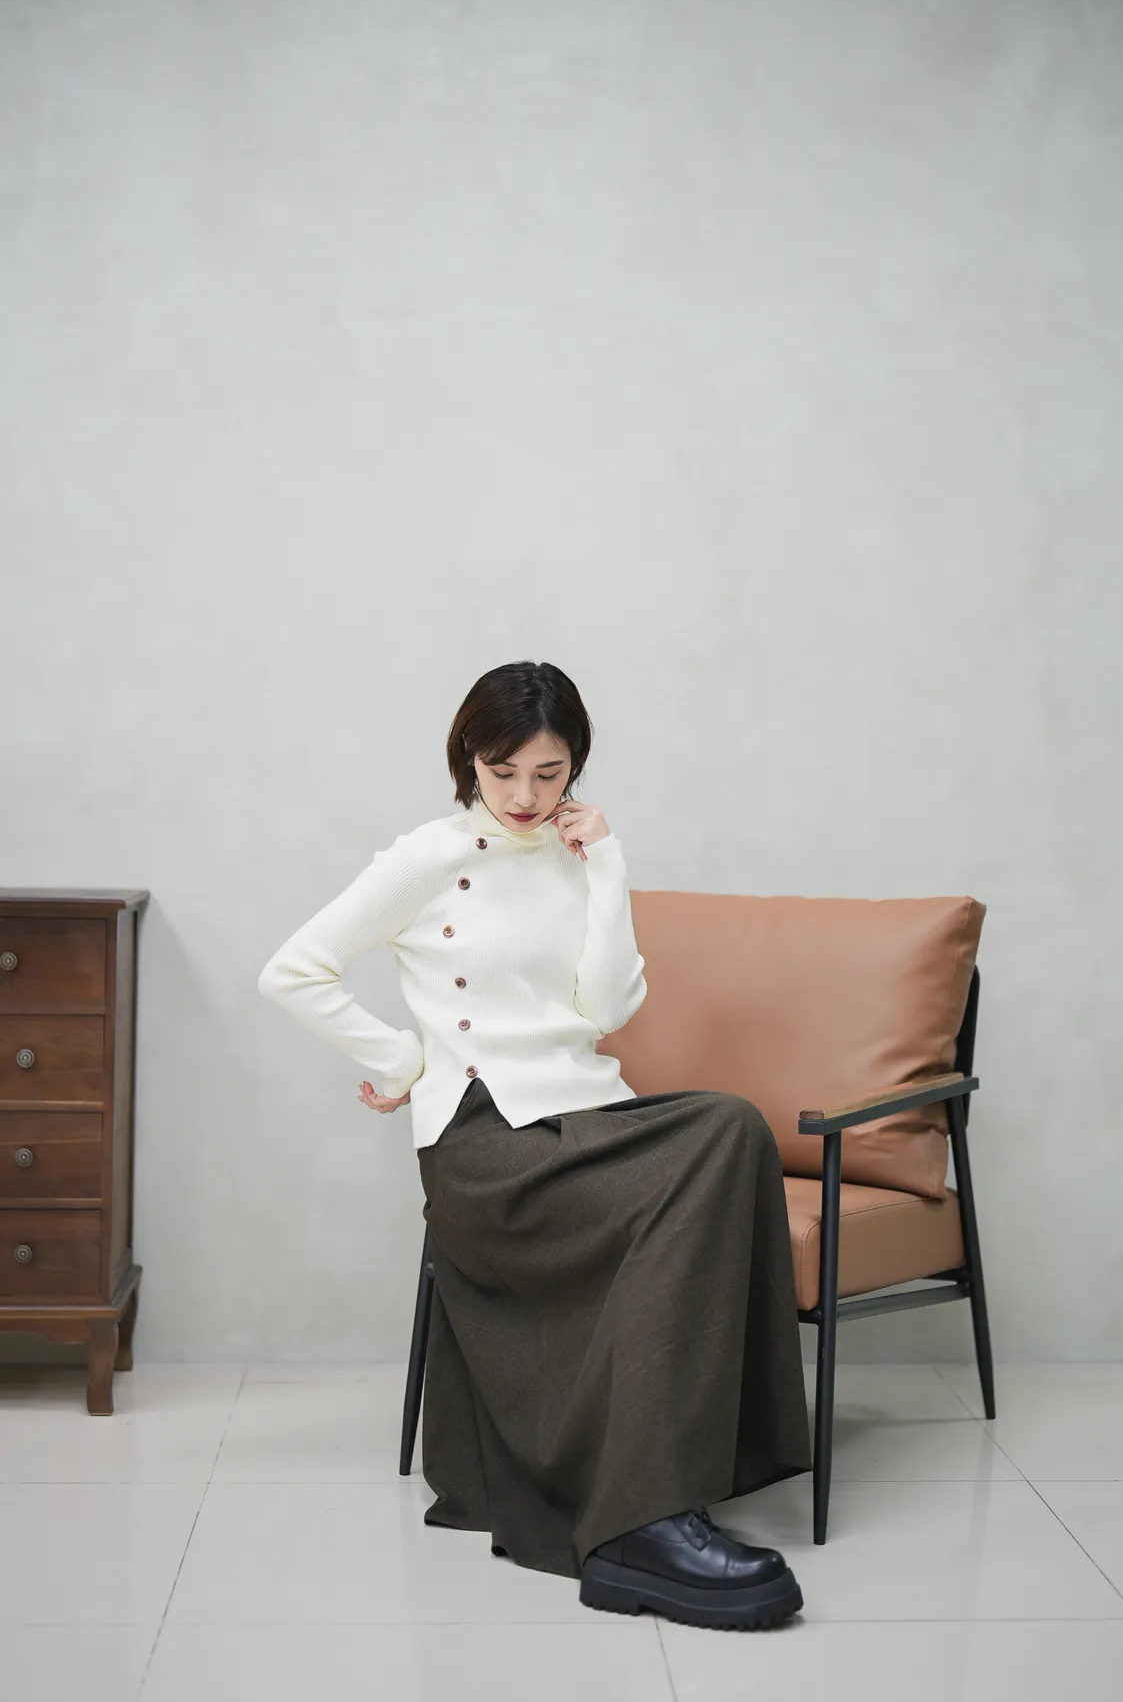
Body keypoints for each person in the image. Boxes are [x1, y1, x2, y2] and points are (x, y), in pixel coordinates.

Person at [258, 660, 812, 1629]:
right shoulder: (428, 856)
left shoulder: (577, 854)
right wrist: (404, 1062)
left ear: (576, 766)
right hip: (487, 1142)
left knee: (729, 1126)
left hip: (585, 1116)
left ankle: (672, 1479)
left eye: (548, 773)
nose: (523, 795)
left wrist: (608, 866)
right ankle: (640, 1524)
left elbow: (608, 1008)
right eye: (501, 770)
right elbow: (292, 971)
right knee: (704, 1157)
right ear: (468, 759)